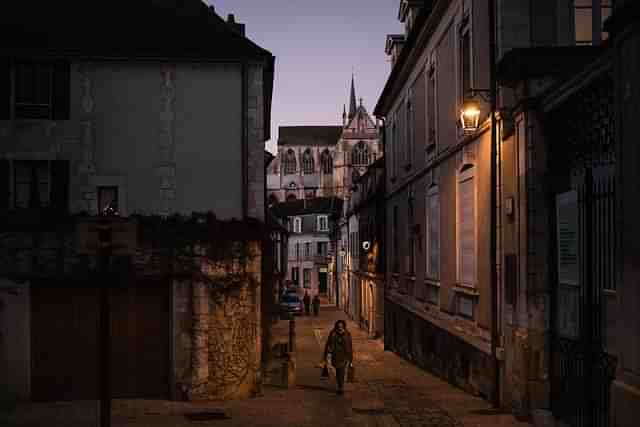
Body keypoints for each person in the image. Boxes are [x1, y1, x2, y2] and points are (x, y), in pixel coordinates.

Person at [323, 320, 353, 395]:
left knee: (341, 371)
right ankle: (340, 384)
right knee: (337, 371)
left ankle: (341, 388)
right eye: (338, 326)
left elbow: (350, 346)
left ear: (343, 326)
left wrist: (351, 357)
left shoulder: (347, 334)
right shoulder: (333, 333)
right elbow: (328, 343)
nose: (340, 327)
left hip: (344, 356)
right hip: (335, 355)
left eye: (341, 326)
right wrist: (326, 353)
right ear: (336, 326)